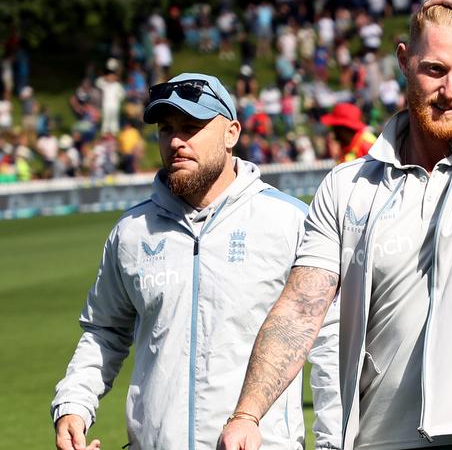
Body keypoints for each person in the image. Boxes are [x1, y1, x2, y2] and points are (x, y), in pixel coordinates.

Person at [219, 0, 452, 450]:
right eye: (434, 69)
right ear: (404, 60)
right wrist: (248, 413)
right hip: (383, 439)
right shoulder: (348, 186)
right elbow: (301, 307)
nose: (450, 91)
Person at [51, 73, 341, 450]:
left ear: (231, 133)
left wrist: (333, 441)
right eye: (166, 129)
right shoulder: (131, 232)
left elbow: (330, 343)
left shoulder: (291, 221)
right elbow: (103, 332)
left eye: (191, 127)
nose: (176, 141)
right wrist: (74, 404)